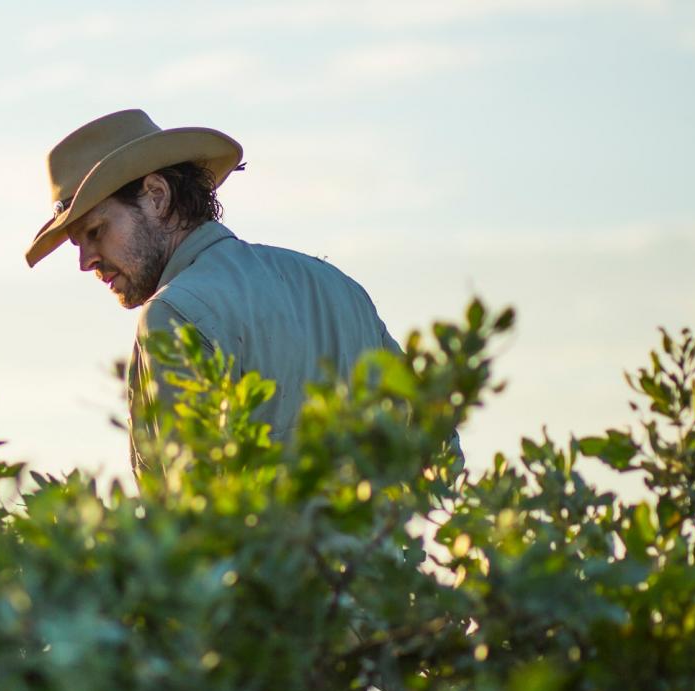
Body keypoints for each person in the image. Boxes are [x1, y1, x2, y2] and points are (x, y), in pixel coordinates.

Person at [24, 108, 409, 479]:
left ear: (157, 196)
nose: (85, 261)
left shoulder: (173, 312)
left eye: (95, 232)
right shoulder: (338, 287)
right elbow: (434, 440)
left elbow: (193, 514)